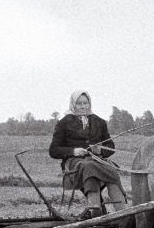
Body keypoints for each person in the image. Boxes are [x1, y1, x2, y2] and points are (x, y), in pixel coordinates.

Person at [49, 90, 127, 219]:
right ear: (73, 104)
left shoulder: (99, 122)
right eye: (79, 103)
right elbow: (54, 150)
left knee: (111, 167)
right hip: (74, 164)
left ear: (89, 104)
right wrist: (74, 151)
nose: (82, 106)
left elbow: (111, 147)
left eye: (85, 103)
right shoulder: (63, 123)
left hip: (98, 161)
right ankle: (95, 209)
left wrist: (100, 151)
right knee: (88, 165)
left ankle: (123, 212)